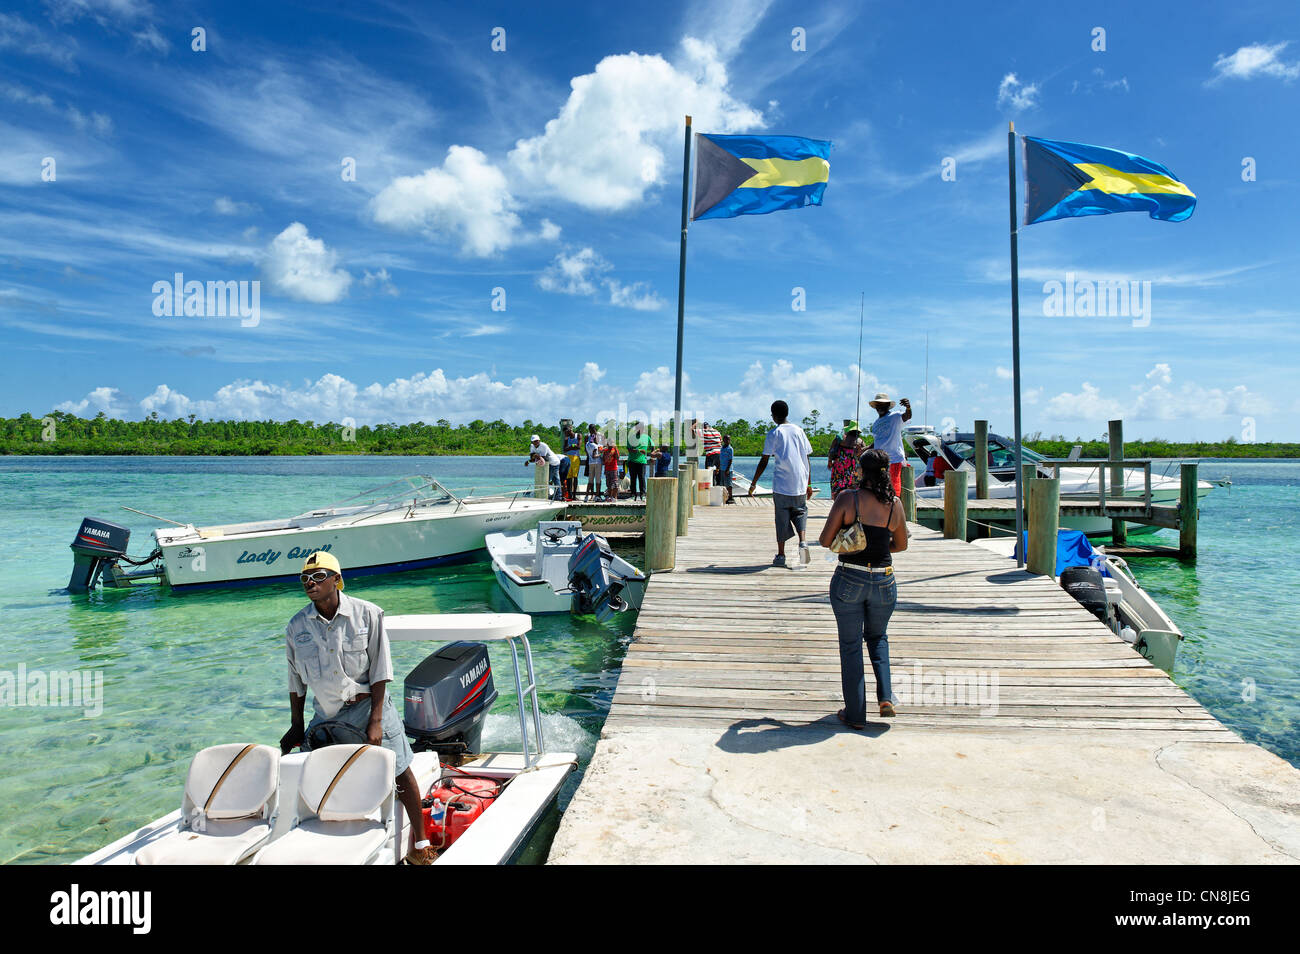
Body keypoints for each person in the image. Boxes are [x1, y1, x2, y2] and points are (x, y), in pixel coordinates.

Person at [279, 551, 436, 865]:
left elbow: (380, 671)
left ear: (336, 580)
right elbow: (296, 682)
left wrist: (376, 720)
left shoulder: (368, 614)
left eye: (319, 576)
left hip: (369, 707)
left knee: (400, 769)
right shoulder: (296, 626)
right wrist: (297, 725)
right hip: (326, 715)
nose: (310, 583)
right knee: (306, 770)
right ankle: (316, 837)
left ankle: (420, 845)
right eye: (305, 579)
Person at [817, 449, 908, 727]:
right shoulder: (895, 504)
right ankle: (886, 699)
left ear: (860, 470)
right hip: (884, 579)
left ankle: (856, 715)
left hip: (850, 579)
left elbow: (824, 540)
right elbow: (901, 545)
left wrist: (857, 543)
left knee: (851, 645)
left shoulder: (849, 499)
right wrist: (879, 547)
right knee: (878, 638)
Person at [749, 400, 813, 567]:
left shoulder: (774, 433)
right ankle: (803, 542)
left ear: (774, 415)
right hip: (800, 482)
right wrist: (809, 483)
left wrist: (754, 482)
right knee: (800, 513)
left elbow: (764, 460)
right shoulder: (799, 431)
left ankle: (781, 555)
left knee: (782, 518)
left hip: (782, 484)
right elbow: (806, 458)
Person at [868, 392, 912, 497]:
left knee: (894, 486)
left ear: (888, 406)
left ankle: (894, 507)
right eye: (878, 405)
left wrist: (908, 407)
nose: (880, 407)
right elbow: (877, 442)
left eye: (883, 404)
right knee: (879, 487)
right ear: (875, 407)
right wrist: (864, 449)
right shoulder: (875, 424)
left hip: (894, 458)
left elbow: (907, 416)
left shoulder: (895, 416)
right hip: (879, 461)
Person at [828, 421, 866, 498]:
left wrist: (829, 461)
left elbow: (831, 451)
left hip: (839, 468)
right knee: (852, 488)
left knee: (837, 488)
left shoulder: (840, 438)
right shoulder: (860, 442)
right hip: (852, 469)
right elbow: (863, 456)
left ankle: (838, 503)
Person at [525, 434, 564, 500]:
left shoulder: (544, 446)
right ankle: (558, 496)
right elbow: (532, 457)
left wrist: (536, 456)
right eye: (534, 441)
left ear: (539, 440)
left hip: (554, 463)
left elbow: (543, 459)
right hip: (547, 464)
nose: (536, 442)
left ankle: (551, 495)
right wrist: (529, 460)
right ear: (532, 442)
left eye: (537, 441)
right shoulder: (532, 446)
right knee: (556, 479)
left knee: (547, 479)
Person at [626, 423, 653, 501]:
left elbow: (653, 446)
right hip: (632, 461)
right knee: (633, 478)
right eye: (638, 428)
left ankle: (643, 495)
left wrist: (650, 455)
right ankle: (633, 495)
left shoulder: (646, 437)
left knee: (642, 478)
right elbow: (629, 449)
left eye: (641, 428)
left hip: (642, 461)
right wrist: (639, 450)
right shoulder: (631, 437)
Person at [561, 424, 581, 501]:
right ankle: (570, 495)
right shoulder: (567, 438)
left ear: (569, 430)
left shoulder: (578, 435)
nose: (565, 434)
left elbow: (578, 446)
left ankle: (574, 495)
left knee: (575, 477)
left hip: (575, 458)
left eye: (566, 432)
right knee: (568, 477)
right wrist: (572, 446)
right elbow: (564, 449)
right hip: (568, 457)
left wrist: (569, 446)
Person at [585, 425, 604, 499]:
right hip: (597, 461)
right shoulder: (593, 444)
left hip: (591, 462)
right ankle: (596, 496)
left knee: (590, 480)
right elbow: (594, 454)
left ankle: (588, 496)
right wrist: (600, 453)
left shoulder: (588, 443)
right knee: (598, 480)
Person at [717, 434, 735, 503]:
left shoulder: (730, 449)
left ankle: (731, 497)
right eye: (726, 439)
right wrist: (718, 468)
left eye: (729, 439)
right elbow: (720, 458)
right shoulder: (722, 448)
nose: (727, 441)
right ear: (723, 440)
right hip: (722, 468)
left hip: (728, 469)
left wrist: (727, 469)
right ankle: (724, 497)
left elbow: (730, 460)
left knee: (729, 484)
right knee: (723, 484)